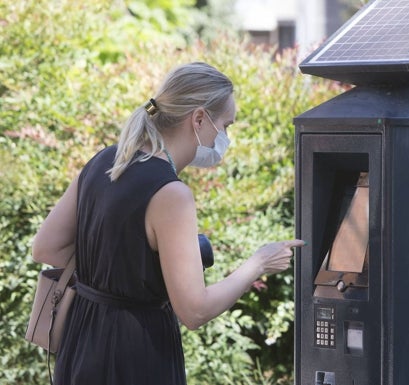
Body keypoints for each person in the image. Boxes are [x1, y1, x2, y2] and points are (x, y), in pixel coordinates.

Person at [31, 62, 304, 385]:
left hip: (80, 341)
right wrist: (258, 263)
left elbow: (45, 247)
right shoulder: (172, 194)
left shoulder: (107, 160)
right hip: (135, 352)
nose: (226, 138)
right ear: (199, 118)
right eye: (226, 126)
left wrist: (118, 272)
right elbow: (194, 311)